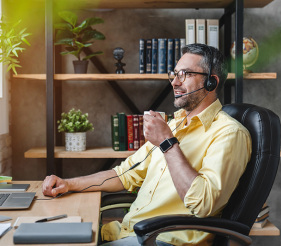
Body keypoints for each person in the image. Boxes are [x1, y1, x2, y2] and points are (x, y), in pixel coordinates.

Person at [42, 43, 252, 246]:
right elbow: (126, 173)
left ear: (211, 83)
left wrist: (167, 143)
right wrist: (69, 184)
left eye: (185, 74)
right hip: (127, 234)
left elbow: (203, 203)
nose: (175, 82)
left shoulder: (229, 134)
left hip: (162, 241)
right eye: (174, 74)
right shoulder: (175, 124)